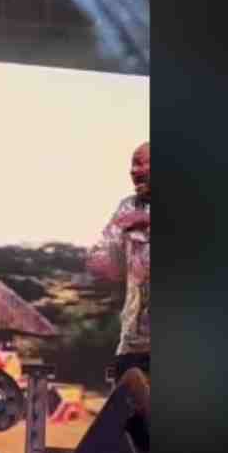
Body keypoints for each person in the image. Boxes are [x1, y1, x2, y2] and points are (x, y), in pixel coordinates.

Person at [87, 141, 150, 382]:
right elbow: (101, 252)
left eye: (142, 163)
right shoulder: (127, 206)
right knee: (126, 401)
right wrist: (101, 263)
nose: (134, 170)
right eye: (133, 164)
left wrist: (147, 221)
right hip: (134, 342)